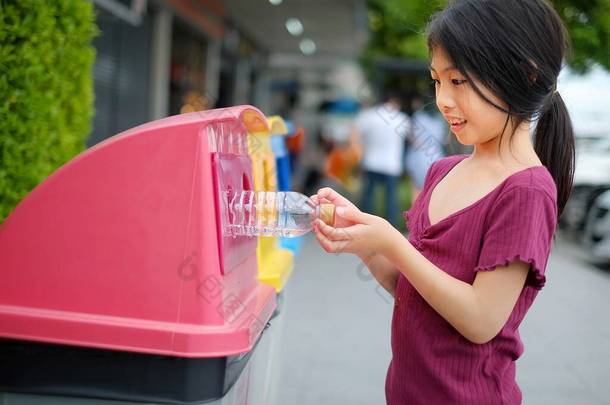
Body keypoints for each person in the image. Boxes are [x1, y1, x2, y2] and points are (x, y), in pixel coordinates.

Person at [311, 0, 575, 403]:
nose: (443, 100)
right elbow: (412, 285)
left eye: (458, 81)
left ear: (525, 75)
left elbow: (480, 320)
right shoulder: (442, 171)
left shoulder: (526, 191)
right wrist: (364, 242)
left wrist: (391, 242)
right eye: (437, 81)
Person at [353, 91, 409, 227]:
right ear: (396, 103)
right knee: (391, 198)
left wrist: (359, 155)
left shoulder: (371, 116)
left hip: (372, 162)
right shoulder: (401, 118)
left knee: (368, 196)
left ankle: (364, 224)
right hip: (391, 164)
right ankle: (391, 227)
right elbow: (410, 139)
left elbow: (356, 134)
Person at [405, 96, 447, 201]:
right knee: (432, 190)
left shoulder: (418, 117)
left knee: (416, 189)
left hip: (418, 156)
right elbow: (443, 140)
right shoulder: (440, 120)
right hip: (436, 156)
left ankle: (415, 214)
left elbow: (413, 139)